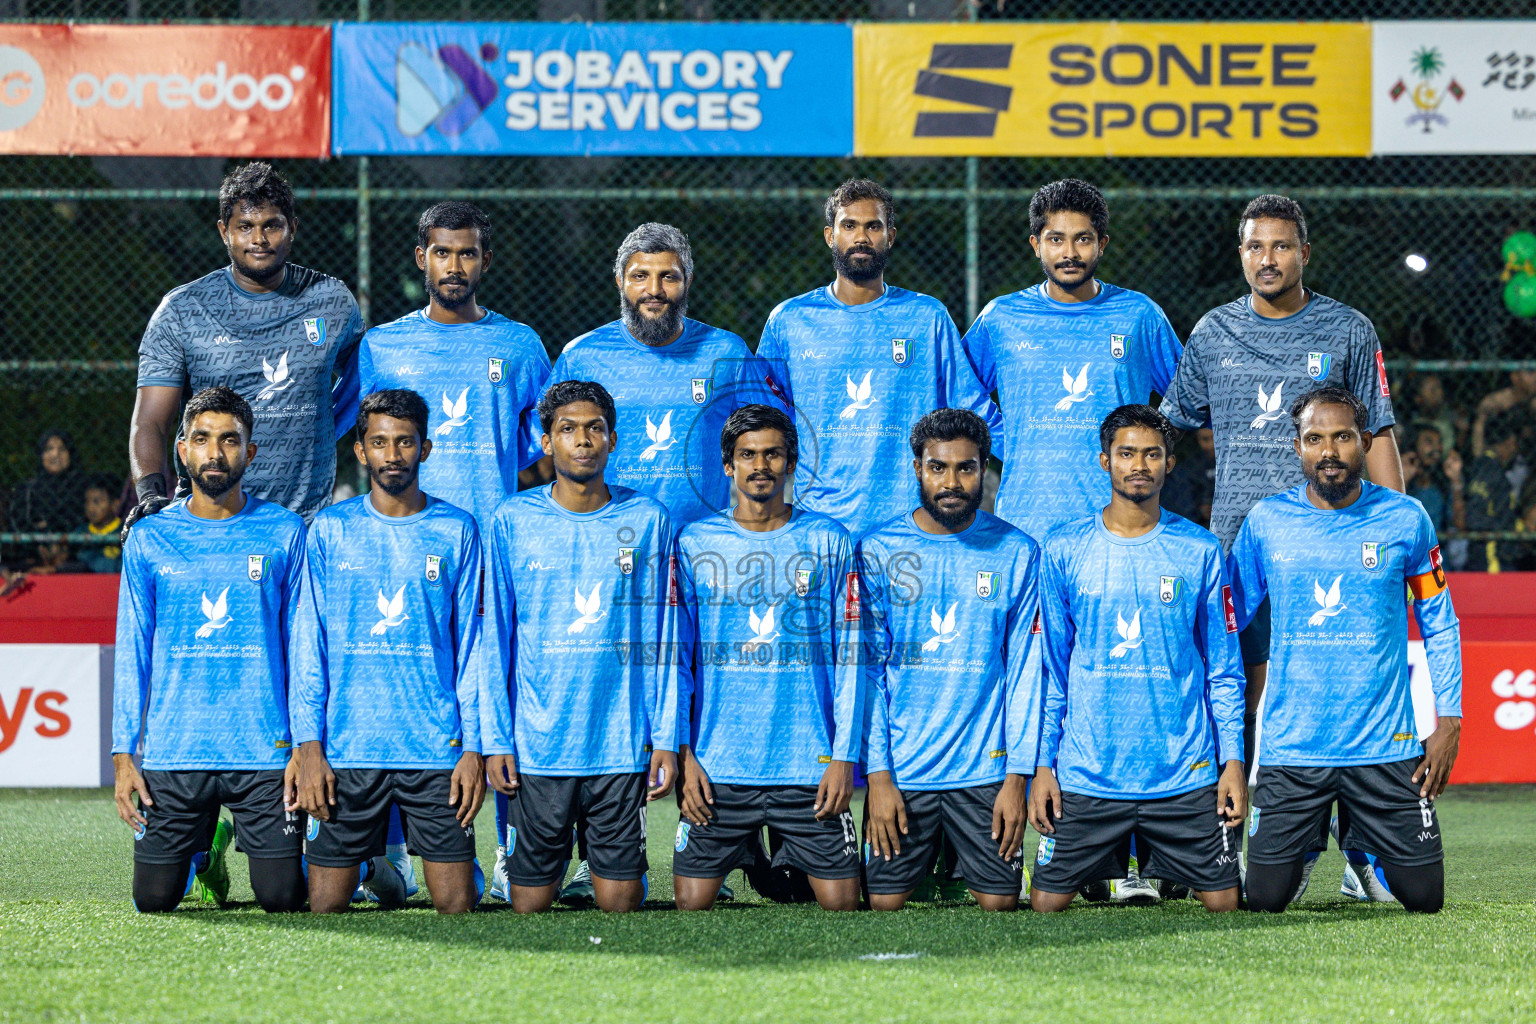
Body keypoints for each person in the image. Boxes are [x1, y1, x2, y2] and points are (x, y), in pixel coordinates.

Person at [1158, 194, 1401, 900]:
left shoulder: (1349, 330)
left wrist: (1399, 534)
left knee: (1346, 695)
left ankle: (1365, 853)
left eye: (1282, 246)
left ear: (1304, 253)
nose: (1268, 259)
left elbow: (1378, 433)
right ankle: (1240, 845)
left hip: (1337, 552)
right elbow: (1167, 431)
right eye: (1255, 247)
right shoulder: (1210, 333)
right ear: (1241, 254)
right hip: (1240, 553)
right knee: (1239, 699)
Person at [1229, 387, 1462, 914]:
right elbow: (1230, 619)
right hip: (1294, 749)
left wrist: (1449, 719)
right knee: (1265, 899)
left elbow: (1440, 622)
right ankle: (1312, 838)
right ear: (1297, 448)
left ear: (1363, 443)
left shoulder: (1407, 520)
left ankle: (1358, 841)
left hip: (1385, 747)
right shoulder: (1266, 522)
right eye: (1315, 439)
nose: (1329, 451)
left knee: (1425, 899)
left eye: (1342, 437)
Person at [291, 389, 510, 914]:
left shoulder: (457, 529)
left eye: (405, 442)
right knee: (323, 907)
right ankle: (375, 866)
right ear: (361, 451)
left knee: (458, 905)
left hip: (434, 751)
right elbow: (308, 644)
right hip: (348, 751)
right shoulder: (329, 530)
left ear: (426, 448)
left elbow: (472, 650)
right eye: (380, 443)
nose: (393, 454)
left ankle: (388, 868)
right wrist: (309, 746)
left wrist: (472, 748)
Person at [1028, 405, 1246, 913]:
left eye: (1153, 454)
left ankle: (1168, 868)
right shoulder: (1063, 549)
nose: (1139, 465)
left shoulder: (1201, 550)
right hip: (1088, 776)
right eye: (1127, 453)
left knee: (1225, 907)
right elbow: (1052, 672)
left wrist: (1231, 761)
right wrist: (1043, 764)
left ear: (1170, 463)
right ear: (1105, 460)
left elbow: (1224, 672)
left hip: (1183, 776)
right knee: (1043, 907)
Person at [479, 380, 676, 913]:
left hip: (619, 745)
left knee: (621, 903)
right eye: (568, 429)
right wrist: (496, 739)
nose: (582, 440)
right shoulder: (511, 521)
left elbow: (663, 640)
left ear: (613, 440)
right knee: (528, 906)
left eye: (594, 429)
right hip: (538, 748)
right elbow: (494, 638)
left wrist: (665, 738)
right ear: (547, 442)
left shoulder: (649, 520)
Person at [111, 386, 307, 913]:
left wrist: (304, 746)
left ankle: (235, 843)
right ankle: (205, 854)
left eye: (229, 440)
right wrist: (124, 754)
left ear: (251, 452)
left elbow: (302, 648)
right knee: (153, 901)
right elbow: (133, 650)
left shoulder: (286, 533)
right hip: (176, 752)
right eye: (201, 439)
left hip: (266, 753)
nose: (215, 453)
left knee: (283, 899)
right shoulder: (150, 538)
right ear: (182, 449)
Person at [670, 405, 863, 912]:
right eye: (747, 455)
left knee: (842, 904)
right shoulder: (694, 544)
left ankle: (782, 855)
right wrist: (684, 753)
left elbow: (851, 660)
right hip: (718, 767)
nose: (761, 465)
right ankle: (754, 852)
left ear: (791, 462)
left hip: (809, 764)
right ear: (728, 466)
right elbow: (678, 662)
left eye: (772, 454)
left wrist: (844, 757)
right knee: (691, 904)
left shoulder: (829, 541)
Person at [859, 409, 1040, 911]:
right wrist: (878, 778)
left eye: (966, 468)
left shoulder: (1017, 551)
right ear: (917, 468)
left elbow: (1024, 671)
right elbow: (869, 674)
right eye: (938, 467)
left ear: (985, 469)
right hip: (903, 772)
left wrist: (1015, 779)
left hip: (984, 773)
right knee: (883, 904)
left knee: (999, 905)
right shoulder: (877, 550)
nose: (952, 482)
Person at [126, 162, 363, 536]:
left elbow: (367, 382)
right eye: (245, 227)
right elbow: (150, 420)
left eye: (272, 225)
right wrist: (150, 494)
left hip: (304, 526)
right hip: (211, 523)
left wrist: (323, 426)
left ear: (292, 229)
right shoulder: (182, 310)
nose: (260, 239)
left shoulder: (331, 301)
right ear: (224, 231)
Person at [755, 179, 997, 541]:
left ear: (891, 236)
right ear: (829, 236)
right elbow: (764, 418)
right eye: (849, 225)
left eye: (873, 226)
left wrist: (1032, 454)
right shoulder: (789, 321)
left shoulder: (926, 317)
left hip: (910, 522)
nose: (861, 237)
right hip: (818, 522)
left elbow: (969, 406)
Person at [961, 178, 1184, 545]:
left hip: (1119, 520)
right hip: (1027, 519)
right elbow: (960, 392)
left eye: (1082, 239)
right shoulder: (1002, 317)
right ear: (1036, 245)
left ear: (1102, 245)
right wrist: (1007, 440)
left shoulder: (1139, 315)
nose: (1070, 252)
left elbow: (1186, 395)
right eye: (1056, 239)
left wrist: (1148, 450)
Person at [547, 222, 779, 526]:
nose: (654, 290)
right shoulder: (582, 356)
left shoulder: (726, 351)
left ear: (688, 281)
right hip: (610, 535)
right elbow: (548, 438)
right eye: (640, 276)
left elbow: (774, 431)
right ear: (619, 281)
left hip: (701, 541)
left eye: (668, 277)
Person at [357, 201, 551, 524]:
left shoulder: (521, 345)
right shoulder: (381, 346)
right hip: (405, 531)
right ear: (422, 258)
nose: (454, 268)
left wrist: (500, 453)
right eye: (442, 253)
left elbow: (551, 420)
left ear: (485, 261)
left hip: (488, 531)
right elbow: (364, 430)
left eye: (467, 254)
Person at [1459, 412, 1523, 572]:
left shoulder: (1481, 466)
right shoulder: (1491, 470)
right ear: (1509, 442)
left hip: (1484, 553)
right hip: (1491, 555)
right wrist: (1510, 528)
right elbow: (1477, 516)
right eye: (1514, 445)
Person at [9, 430, 87, 533]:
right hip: (36, 547)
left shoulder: (84, 486)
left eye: (62, 449)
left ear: (70, 454)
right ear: (41, 455)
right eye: (49, 449)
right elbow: (19, 524)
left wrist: (49, 523)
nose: (55, 454)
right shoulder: (28, 489)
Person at [79, 478, 123, 573]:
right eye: (87, 502)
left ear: (114, 504)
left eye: (97, 502)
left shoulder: (125, 530)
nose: (91, 508)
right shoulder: (80, 531)